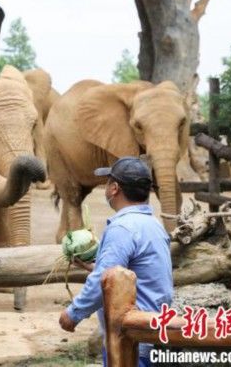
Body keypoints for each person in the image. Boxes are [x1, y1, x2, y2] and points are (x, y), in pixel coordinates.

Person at [58, 156, 173, 367]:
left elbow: (98, 287)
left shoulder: (122, 228)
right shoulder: (154, 225)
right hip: (154, 333)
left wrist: (73, 314)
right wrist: (96, 269)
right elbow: (138, 275)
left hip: (131, 341)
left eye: (108, 182)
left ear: (114, 188)